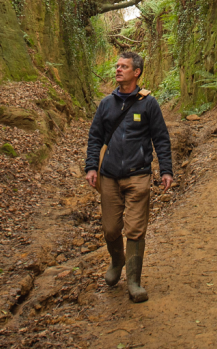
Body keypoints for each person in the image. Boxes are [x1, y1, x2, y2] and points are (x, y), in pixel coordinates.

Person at [84, 51, 174, 303]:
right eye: (117, 65)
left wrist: (166, 170)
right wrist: (91, 167)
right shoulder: (106, 104)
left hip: (139, 175)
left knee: (135, 230)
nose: (118, 69)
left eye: (124, 66)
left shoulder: (149, 103)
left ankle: (134, 281)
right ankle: (117, 260)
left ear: (137, 72)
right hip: (110, 176)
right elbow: (94, 139)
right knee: (111, 229)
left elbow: (161, 139)